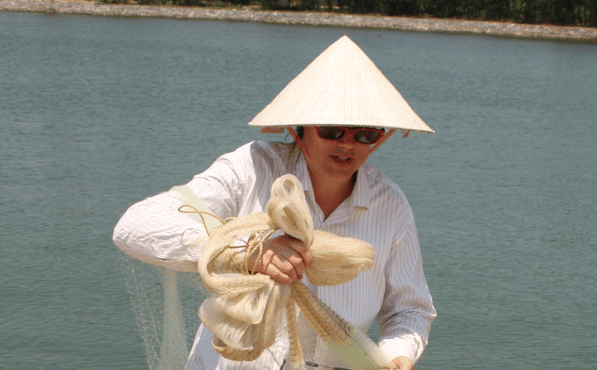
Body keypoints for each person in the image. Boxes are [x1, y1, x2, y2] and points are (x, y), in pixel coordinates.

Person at [113, 35, 436, 370]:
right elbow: (134, 226)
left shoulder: (391, 206)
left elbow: (409, 311)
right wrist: (249, 253)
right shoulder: (251, 168)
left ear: (379, 139)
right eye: (331, 131)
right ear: (299, 130)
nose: (348, 145)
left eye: (364, 134)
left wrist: (400, 354)